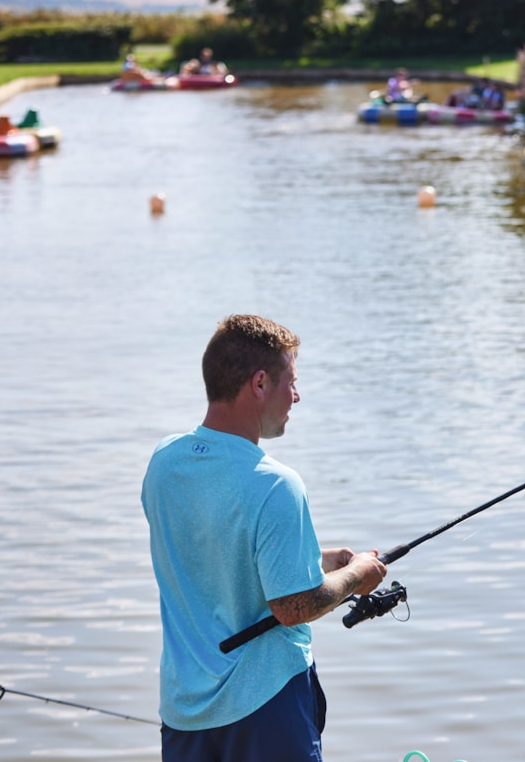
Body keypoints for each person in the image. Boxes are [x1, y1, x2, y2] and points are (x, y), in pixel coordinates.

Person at [141, 314, 388, 761]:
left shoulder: (164, 463)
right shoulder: (276, 485)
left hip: (184, 712)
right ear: (259, 384)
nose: (296, 395)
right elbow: (293, 607)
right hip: (264, 709)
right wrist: (357, 575)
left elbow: (208, 549)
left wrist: (314, 557)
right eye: (289, 382)